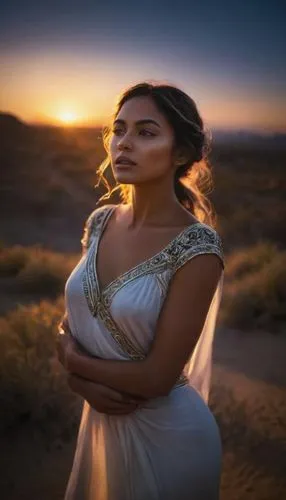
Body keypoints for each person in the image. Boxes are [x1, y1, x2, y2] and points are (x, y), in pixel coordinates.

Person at [56, 81, 225, 500]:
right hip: (100, 425)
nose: (124, 144)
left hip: (170, 441)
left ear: (181, 153)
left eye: (146, 132)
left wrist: (73, 363)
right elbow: (73, 321)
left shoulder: (197, 247)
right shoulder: (100, 222)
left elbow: (156, 378)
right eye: (119, 130)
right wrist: (78, 376)